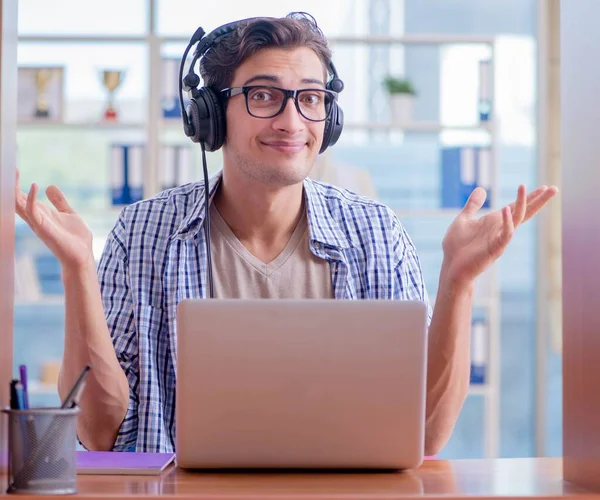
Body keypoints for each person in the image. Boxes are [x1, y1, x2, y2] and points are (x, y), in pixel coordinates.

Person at [14, 12, 557, 455]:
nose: (292, 121)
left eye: (311, 98)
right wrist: (78, 268)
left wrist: (458, 281)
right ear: (209, 115)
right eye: (264, 96)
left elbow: (427, 433)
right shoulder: (142, 234)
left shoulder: (375, 233)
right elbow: (98, 432)